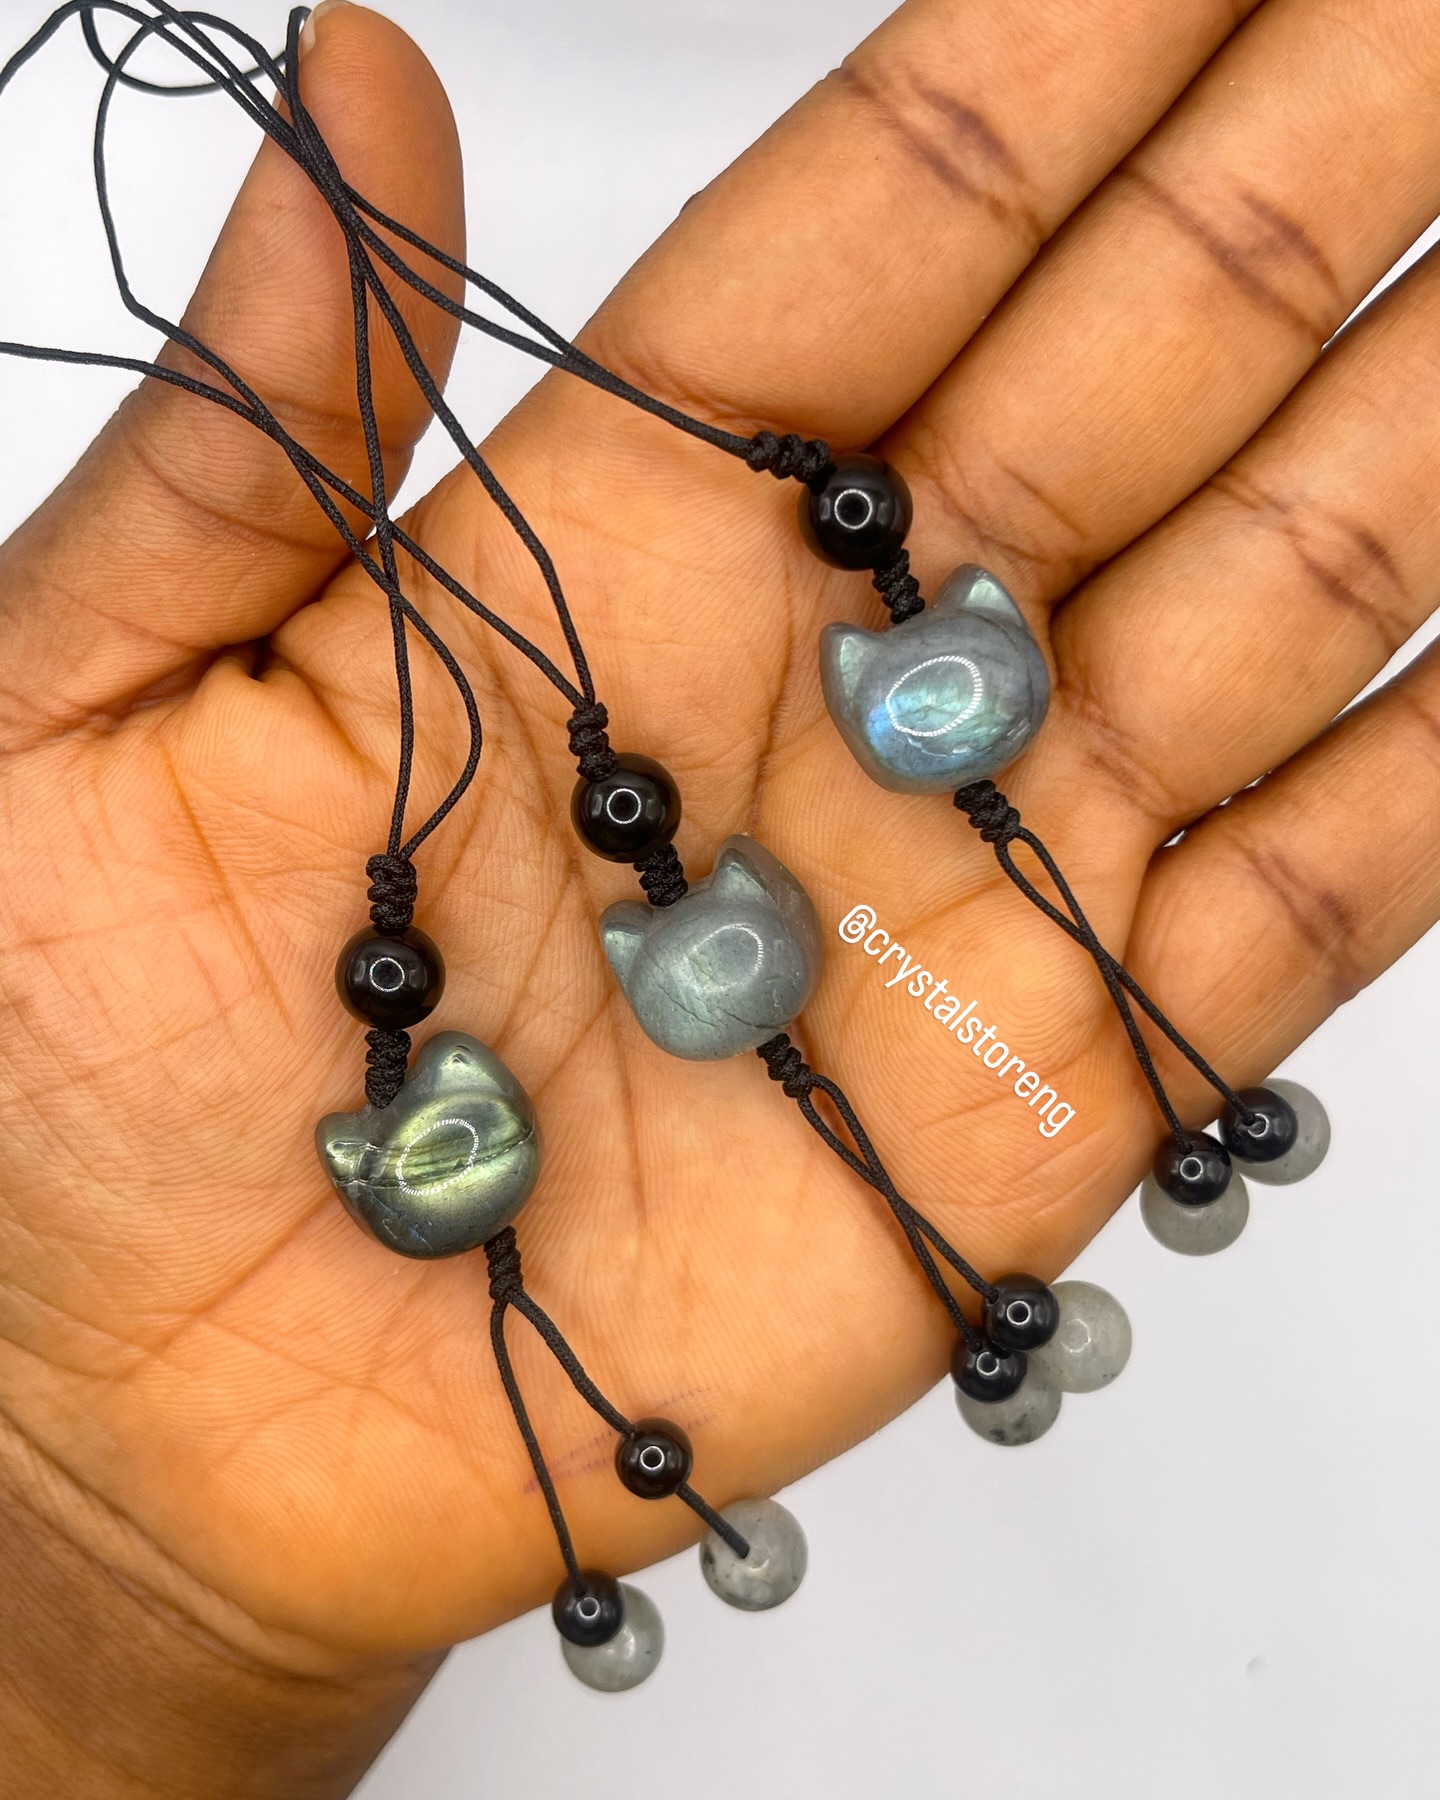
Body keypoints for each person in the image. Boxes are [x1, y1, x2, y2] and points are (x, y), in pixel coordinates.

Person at [2, 0, 1437, 1791]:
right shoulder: (672, 890)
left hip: (782, 855)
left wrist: (97, 1595)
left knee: (879, 970)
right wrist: (83, 1566)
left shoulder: (769, 815)